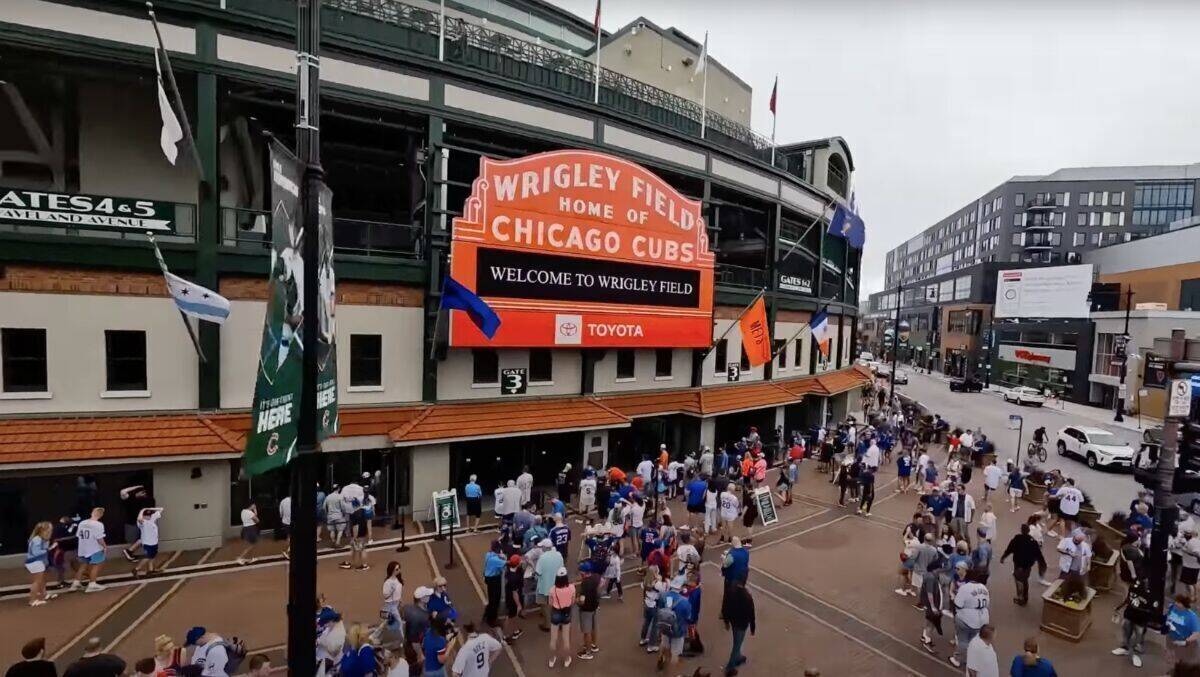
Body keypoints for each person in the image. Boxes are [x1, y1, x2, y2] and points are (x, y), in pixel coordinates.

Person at [950, 570, 990, 669]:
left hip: (966, 618)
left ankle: (957, 659)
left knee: (963, 640)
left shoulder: (965, 588)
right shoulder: (984, 588)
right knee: (975, 642)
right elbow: (987, 604)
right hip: (982, 619)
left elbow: (958, 604)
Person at [1000, 524, 1045, 606]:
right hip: (1028, 566)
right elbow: (1039, 555)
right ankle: (1025, 597)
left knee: (1018, 580)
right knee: (1025, 580)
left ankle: (1021, 598)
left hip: (1018, 564)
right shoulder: (1033, 541)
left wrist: (1003, 557)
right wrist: (1041, 567)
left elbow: (1010, 548)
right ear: (1028, 531)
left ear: (1021, 530)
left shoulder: (1017, 538)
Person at [721, 578, 755, 676]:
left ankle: (738, 657)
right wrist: (752, 628)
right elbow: (751, 614)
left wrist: (726, 622)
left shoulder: (731, 592)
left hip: (733, 622)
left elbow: (725, 607)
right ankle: (730, 667)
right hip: (742, 624)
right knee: (737, 645)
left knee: (736, 641)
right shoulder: (747, 597)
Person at [71, 507, 107, 592]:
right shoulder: (99, 524)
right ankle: (92, 584)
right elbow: (99, 538)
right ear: (101, 515)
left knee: (83, 565)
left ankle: (76, 583)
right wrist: (104, 546)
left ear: (92, 513)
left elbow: (78, 535)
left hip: (83, 548)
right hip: (94, 548)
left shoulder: (82, 523)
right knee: (95, 565)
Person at [548, 567, 576, 669]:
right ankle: (567, 659)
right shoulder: (572, 588)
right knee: (566, 638)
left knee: (553, 639)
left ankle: (552, 659)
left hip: (556, 612)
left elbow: (550, 603)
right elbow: (573, 602)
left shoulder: (552, 589)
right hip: (566, 613)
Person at [535, 538, 564, 632]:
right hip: (557, 585)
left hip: (544, 586)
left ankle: (548, 625)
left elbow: (538, 572)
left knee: (544, 605)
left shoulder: (542, 558)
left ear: (544, 547)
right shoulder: (559, 555)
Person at [1167, 593, 1200, 669]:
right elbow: (1168, 617)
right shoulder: (1173, 607)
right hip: (1171, 638)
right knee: (1170, 656)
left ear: (1183, 604)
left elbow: (1196, 634)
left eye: (1178, 602)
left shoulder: (1191, 617)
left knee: (1180, 661)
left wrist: (1185, 642)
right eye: (1176, 601)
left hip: (1182, 643)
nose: (1176, 603)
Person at [576, 561, 601, 660]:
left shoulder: (584, 584)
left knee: (587, 632)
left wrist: (576, 601)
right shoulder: (595, 578)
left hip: (586, 610)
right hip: (594, 607)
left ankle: (588, 652)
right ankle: (593, 645)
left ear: (584, 572)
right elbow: (598, 591)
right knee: (594, 628)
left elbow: (582, 601)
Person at [25, 522, 54, 607]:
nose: (51, 531)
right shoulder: (37, 539)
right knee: (37, 582)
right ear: (44, 530)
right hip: (35, 562)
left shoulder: (40, 538)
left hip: (36, 562)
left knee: (42, 580)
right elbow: (36, 552)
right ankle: (32, 600)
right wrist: (50, 548)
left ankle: (44, 594)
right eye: (49, 529)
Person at [133, 507, 164, 577]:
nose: (148, 517)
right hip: (147, 543)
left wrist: (150, 508)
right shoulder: (142, 522)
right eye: (146, 515)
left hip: (154, 542)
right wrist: (142, 510)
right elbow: (139, 519)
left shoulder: (152, 519)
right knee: (147, 557)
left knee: (152, 556)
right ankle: (136, 569)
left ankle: (151, 570)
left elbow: (161, 509)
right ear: (143, 516)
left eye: (149, 515)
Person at [501, 554, 525, 641]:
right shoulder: (514, 577)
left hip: (509, 595)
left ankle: (516, 630)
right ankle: (505, 635)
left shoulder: (509, 571)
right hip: (513, 599)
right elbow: (515, 593)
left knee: (514, 616)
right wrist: (518, 604)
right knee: (510, 616)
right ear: (517, 564)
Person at [380, 561, 405, 642]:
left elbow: (399, 592)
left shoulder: (398, 579)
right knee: (399, 622)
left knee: (386, 623)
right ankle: (403, 640)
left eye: (399, 568)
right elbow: (385, 596)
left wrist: (400, 600)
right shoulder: (388, 583)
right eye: (397, 569)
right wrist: (392, 590)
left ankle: (375, 636)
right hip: (391, 605)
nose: (399, 570)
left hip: (396, 603)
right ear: (392, 570)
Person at [482, 541, 505, 628]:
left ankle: (486, 615)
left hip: (488, 578)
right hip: (494, 579)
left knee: (491, 598)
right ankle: (491, 620)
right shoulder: (496, 560)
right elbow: (508, 563)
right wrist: (503, 557)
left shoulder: (488, 555)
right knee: (495, 600)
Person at [278, 494, 292, 558]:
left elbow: (280, 513)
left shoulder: (283, 501)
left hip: (285, 522)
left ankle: (287, 551)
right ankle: (286, 551)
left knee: (289, 537)